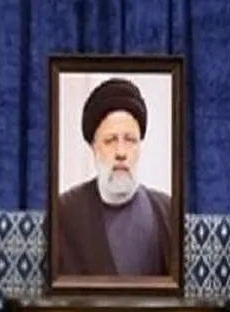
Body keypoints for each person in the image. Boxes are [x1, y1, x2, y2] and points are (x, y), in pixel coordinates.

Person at [54, 77, 174, 278]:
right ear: (94, 148)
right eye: (110, 141)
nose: (121, 152)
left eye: (130, 140)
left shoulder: (168, 212)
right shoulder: (64, 213)